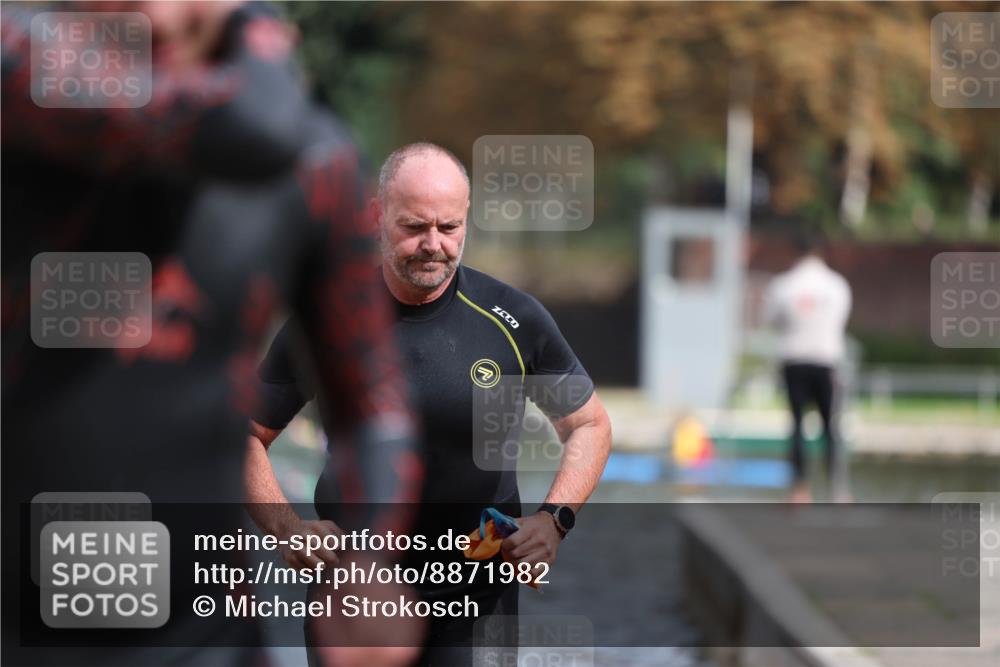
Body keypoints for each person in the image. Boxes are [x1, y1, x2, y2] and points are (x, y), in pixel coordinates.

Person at [2, 4, 422, 666]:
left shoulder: (314, 166)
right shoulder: (14, 76)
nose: (158, 14)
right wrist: (257, 28)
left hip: (204, 641)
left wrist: (367, 558)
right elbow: (249, 122)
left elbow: (371, 399)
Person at [245, 142, 613, 666]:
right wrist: (288, 528)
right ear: (376, 216)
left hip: (477, 592)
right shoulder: (330, 321)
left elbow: (589, 425)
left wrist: (554, 519)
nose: (433, 245)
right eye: (414, 226)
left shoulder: (512, 319)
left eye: (449, 227)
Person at [763, 231, 852, 503]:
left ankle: (800, 489)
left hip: (794, 359)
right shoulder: (836, 285)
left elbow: (773, 320)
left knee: (797, 425)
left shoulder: (783, 285)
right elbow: (840, 320)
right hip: (826, 359)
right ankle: (838, 490)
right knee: (831, 426)